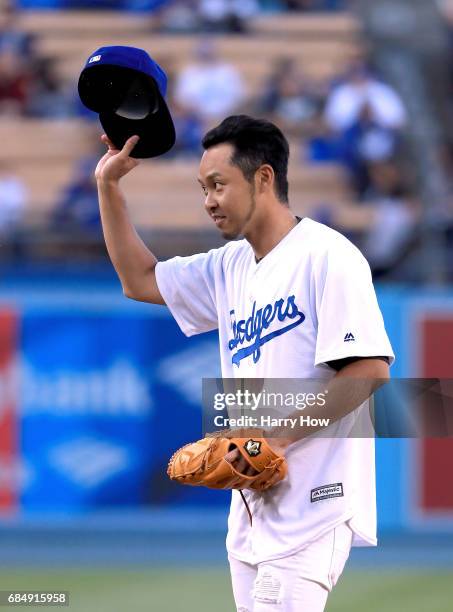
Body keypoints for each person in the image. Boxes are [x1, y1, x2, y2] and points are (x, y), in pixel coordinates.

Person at [95, 115, 394, 611]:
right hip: (253, 511)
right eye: (202, 188)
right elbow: (139, 280)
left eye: (218, 184)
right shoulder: (229, 266)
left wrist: (270, 439)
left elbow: (368, 372)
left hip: (313, 505)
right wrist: (108, 187)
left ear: (263, 177)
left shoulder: (327, 256)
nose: (209, 200)